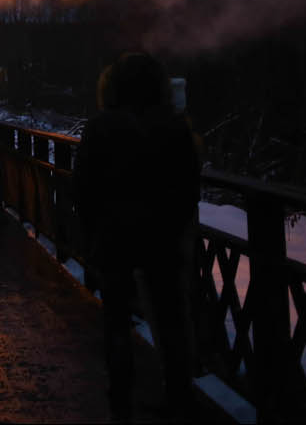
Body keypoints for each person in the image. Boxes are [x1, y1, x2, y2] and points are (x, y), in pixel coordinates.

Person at [74, 52, 201, 421]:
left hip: (115, 238)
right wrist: (176, 229)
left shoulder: (100, 127)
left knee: (116, 319)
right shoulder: (176, 127)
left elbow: (84, 189)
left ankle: (121, 398)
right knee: (172, 320)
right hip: (163, 239)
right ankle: (179, 396)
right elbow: (188, 187)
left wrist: (92, 236)